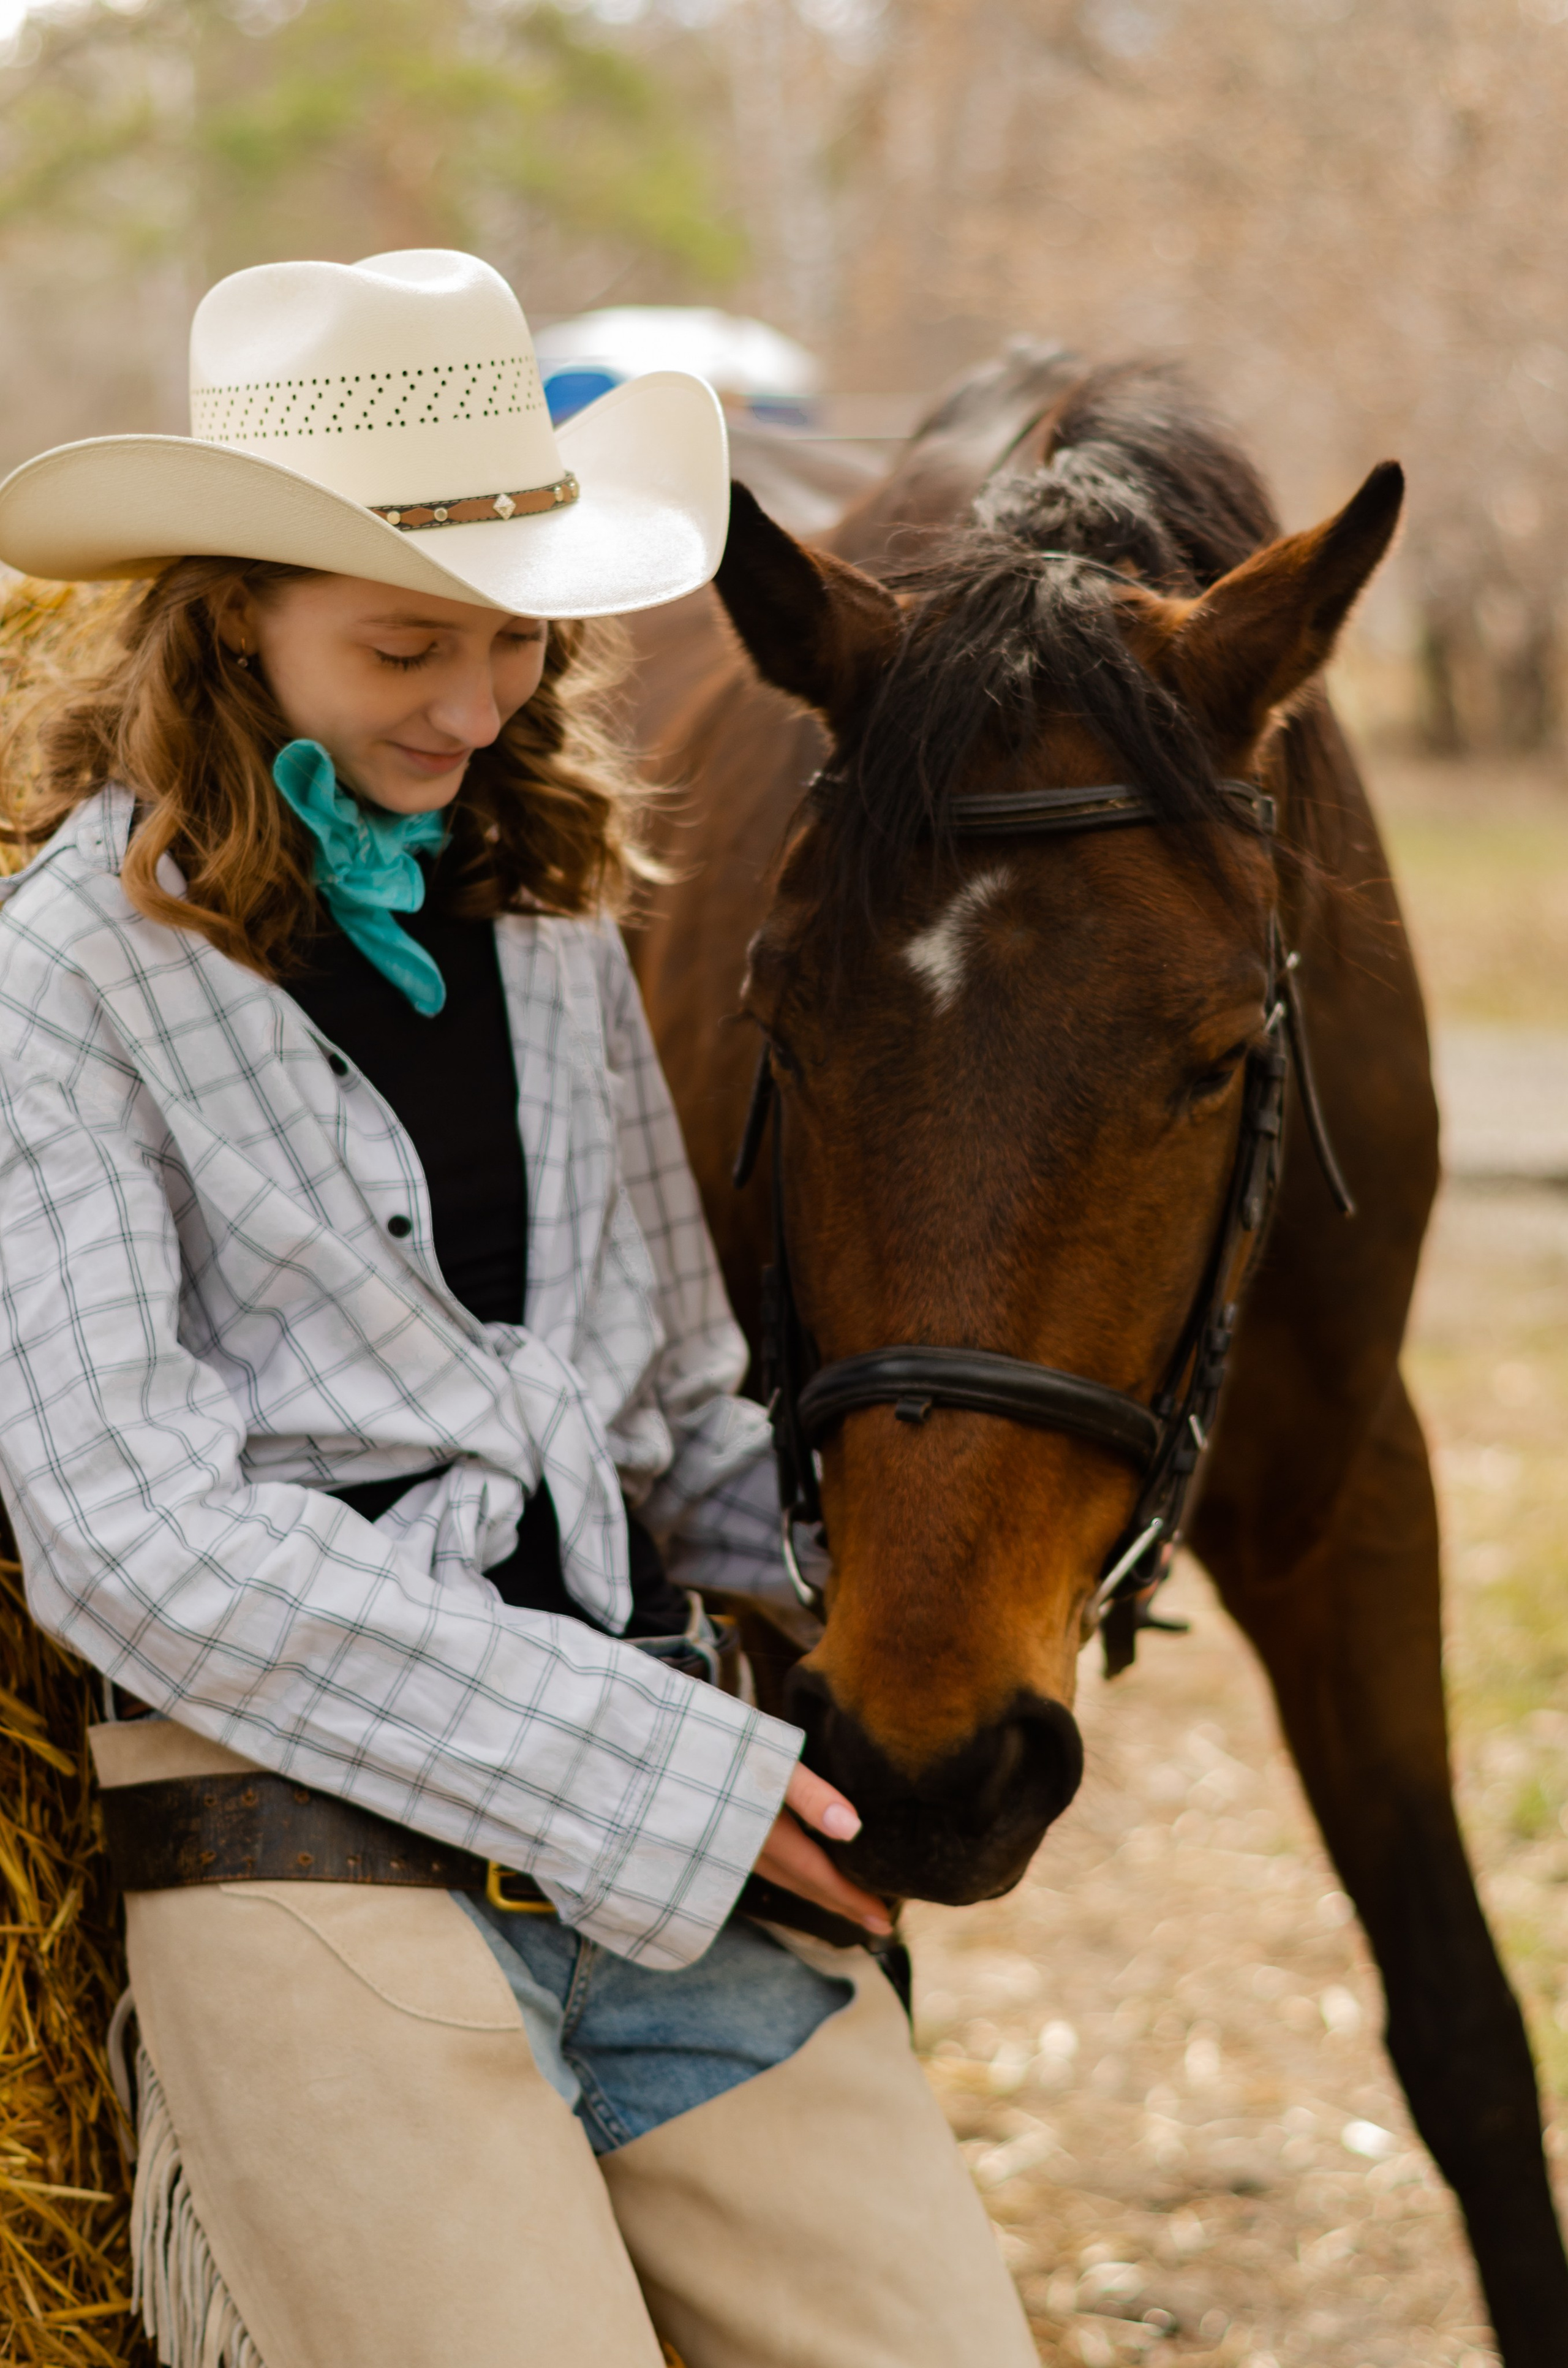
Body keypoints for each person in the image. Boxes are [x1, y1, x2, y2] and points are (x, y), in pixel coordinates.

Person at [0, 250, 1038, 2368]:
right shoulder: (61, 984)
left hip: (673, 1841)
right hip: (314, 1849)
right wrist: (668, 1779)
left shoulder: (548, 909)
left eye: (512, 640)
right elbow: (132, 1535)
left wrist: (940, 1596)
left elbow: (668, 1395)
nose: (473, 709)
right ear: (226, 620)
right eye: (404, 645)